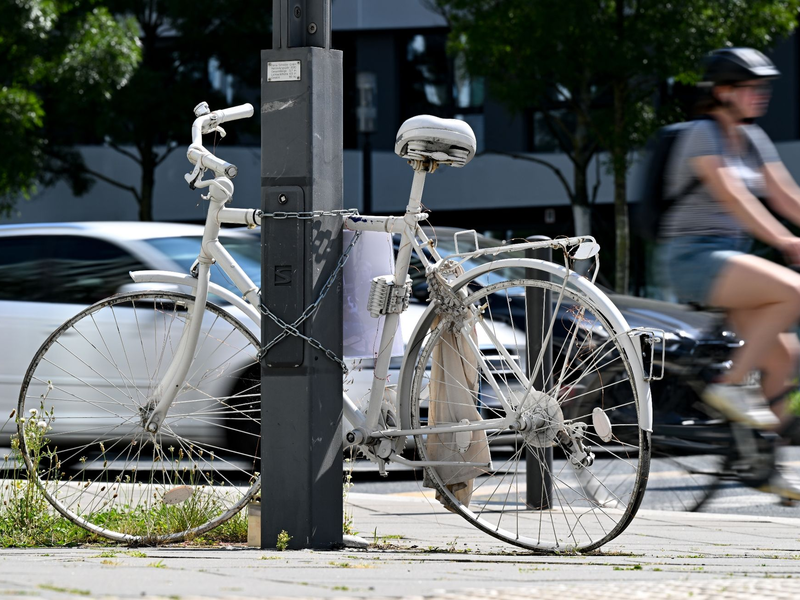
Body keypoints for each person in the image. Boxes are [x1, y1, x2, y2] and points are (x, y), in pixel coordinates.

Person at [656, 47, 800, 443]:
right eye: (750, 86)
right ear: (723, 91)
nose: (761, 93)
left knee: (784, 356)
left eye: (763, 86)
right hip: (691, 256)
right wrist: (785, 240)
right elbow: (735, 195)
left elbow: (787, 197)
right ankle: (729, 384)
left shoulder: (752, 138)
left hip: (729, 260)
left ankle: (765, 463)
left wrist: (789, 228)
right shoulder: (703, 134)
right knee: (794, 292)